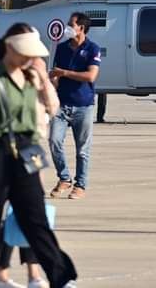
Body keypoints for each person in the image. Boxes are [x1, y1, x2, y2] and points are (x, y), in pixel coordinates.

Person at [0, 24, 78, 288]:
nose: (29, 58)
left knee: (37, 221)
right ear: (10, 48)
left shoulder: (29, 80)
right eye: (25, 53)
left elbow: (37, 122)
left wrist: (36, 165)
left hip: (25, 154)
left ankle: (62, 279)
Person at [0, 35, 59, 288]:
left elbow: (53, 107)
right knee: (21, 212)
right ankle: (15, 274)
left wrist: (43, 80)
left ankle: (27, 274)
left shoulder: (37, 80)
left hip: (33, 150)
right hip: (11, 149)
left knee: (29, 212)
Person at [48, 12, 101, 200]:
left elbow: (91, 76)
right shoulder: (62, 48)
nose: (67, 28)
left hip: (83, 105)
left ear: (81, 28)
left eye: (71, 24)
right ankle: (64, 178)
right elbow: (56, 76)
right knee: (54, 141)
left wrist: (64, 73)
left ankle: (80, 185)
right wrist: (53, 80)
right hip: (61, 104)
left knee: (82, 149)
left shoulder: (92, 49)